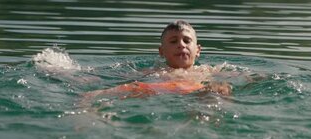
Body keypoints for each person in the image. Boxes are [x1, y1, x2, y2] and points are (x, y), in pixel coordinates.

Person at [81, 20, 231, 103]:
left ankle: (198, 122)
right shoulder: (155, 72)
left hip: (194, 94)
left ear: (198, 50)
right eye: (173, 41)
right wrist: (89, 78)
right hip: (160, 91)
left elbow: (242, 76)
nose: (181, 44)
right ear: (161, 52)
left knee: (218, 88)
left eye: (186, 40)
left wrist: (252, 78)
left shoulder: (209, 70)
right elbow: (121, 77)